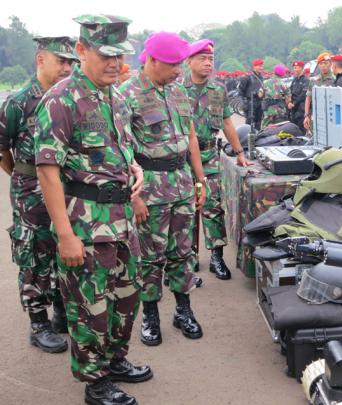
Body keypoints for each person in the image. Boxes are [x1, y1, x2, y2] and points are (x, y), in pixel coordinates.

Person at [34, 15, 152, 405]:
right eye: (106, 55)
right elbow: (48, 171)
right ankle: (94, 381)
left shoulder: (115, 96)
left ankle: (115, 360)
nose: (115, 64)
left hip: (121, 223)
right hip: (85, 224)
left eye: (120, 56)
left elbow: (119, 149)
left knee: (126, 298)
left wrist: (134, 170)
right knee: (89, 307)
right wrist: (65, 234)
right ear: (82, 50)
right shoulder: (61, 99)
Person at [120, 32, 207, 347]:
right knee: (150, 257)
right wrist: (135, 195)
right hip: (150, 188)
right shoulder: (127, 95)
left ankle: (183, 311)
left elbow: (192, 137)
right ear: (153, 60)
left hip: (182, 182)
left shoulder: (179, 91)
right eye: (172, 64)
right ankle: (151, 315)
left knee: (183, 252)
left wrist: (199, 180)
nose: (177, 70)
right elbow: (123, 150)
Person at [0, 36, 78, 354]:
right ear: (41, 59)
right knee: (34, 253)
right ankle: (38, 322)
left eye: (71, 62)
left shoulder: (71, 99)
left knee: (66, 248)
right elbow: (2, 149)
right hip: (31, 191)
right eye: (60, 60)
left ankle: (61, 312)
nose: (67, 67)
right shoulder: (19, 102)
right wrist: (23, 174)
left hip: (67, 188)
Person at [185, 38, 248, 281]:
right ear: (189, 61)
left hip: (210, 155)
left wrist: (240, 151)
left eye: (211, 59)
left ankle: (216, 257)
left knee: (213, 207)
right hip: (182, 158)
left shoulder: (218, 90)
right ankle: (188, 257)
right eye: (202, 58)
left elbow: (227, 122)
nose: (208, 63)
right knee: (186, 209)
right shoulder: (177, 89)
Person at [304, 52, 335, 131]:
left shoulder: (335, 79)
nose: (323, 66)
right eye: (321, 63)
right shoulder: (313, 80)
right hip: (315, 117)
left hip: (331, 118)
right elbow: (308, 98)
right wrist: (306, 115)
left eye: (325, 63)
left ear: (330, 64)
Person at [238, 58, 265, 130]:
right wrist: (243, 104)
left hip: (260, 102)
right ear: (254, 66)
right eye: (259, 66)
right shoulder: (247, 77)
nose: (261, 68)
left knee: (259, 122)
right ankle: (247, 139)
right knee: (249, 124)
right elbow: (240, 91)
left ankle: (257, 138)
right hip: (250, 102)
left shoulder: (262, 77)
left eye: (261, 66)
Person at [288, 60, 309, 132]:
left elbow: (303, 94)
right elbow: (290, 92)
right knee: (294, 129)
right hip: (294, 110)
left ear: (301, 68)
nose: (295, 70)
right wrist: (289, 102)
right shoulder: (294, 80)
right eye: (294, 68)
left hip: (301, 108)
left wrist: (294, 103)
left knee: (301, 129)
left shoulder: (305, 80)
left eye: (296, 68)